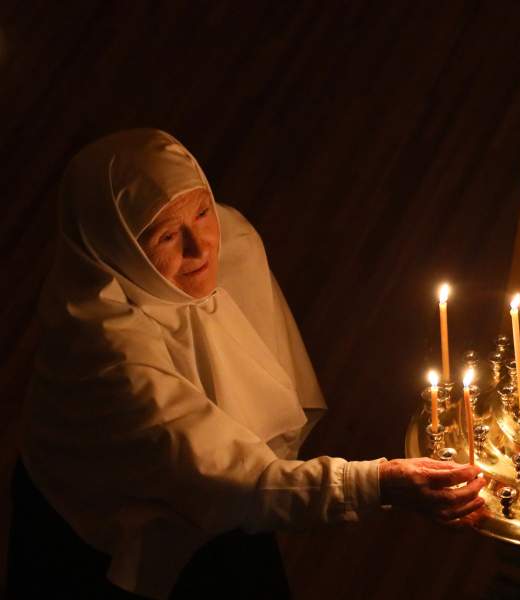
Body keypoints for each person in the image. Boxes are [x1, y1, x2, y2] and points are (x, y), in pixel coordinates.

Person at [7, 129, 485, 599]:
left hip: (238, 499)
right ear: (118, 249)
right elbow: (234, 480)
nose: (200, 248)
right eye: (167, 235)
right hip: (119, 535)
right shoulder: (108, 355)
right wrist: (379, 483)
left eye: (202, 211)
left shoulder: (229, 239)